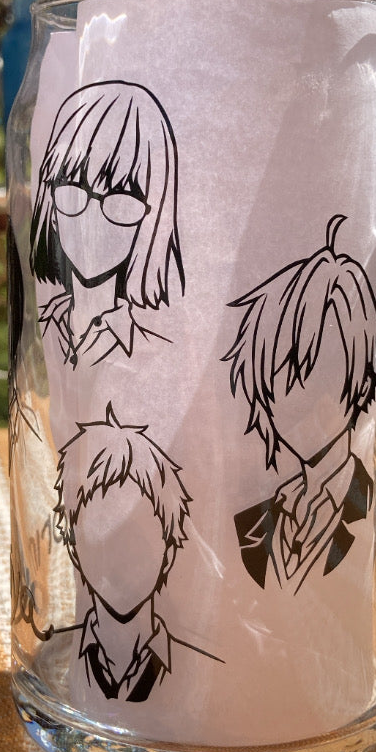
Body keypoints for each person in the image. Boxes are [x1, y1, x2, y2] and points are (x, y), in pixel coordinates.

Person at [223, 215, 376, 594]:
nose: (292, 398)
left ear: (360, 373)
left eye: (319, 372)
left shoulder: (370, 511)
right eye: (275, 380)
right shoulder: (253, 524)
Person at [55, 405, 220, 701]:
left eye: (138, 538)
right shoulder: (58, 660)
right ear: (74, 546)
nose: (121, 558)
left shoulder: (202, 671)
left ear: (169, 550)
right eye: (104, 533)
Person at [30, 80, 184, 368]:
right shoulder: (39, 325)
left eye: (122, 200)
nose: (93, 220)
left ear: (148, 223)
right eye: (75, 190)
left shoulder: (159, 355)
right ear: (51, 208)